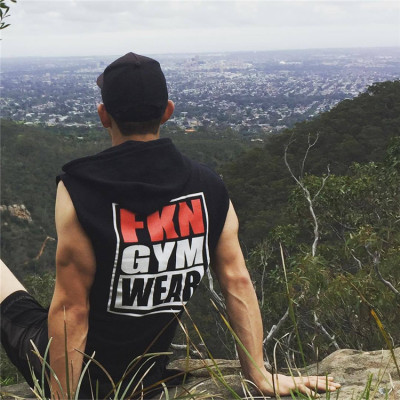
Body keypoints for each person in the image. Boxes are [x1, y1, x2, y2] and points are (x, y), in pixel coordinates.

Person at [1, 52, 341, 399]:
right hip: (147, 372)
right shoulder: (210, 187)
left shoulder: (79, 188)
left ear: (103, 115)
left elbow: (72, 310)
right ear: (168, 111)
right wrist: (259, 375)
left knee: (15, 304)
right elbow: (236, 280)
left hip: (76, 375)